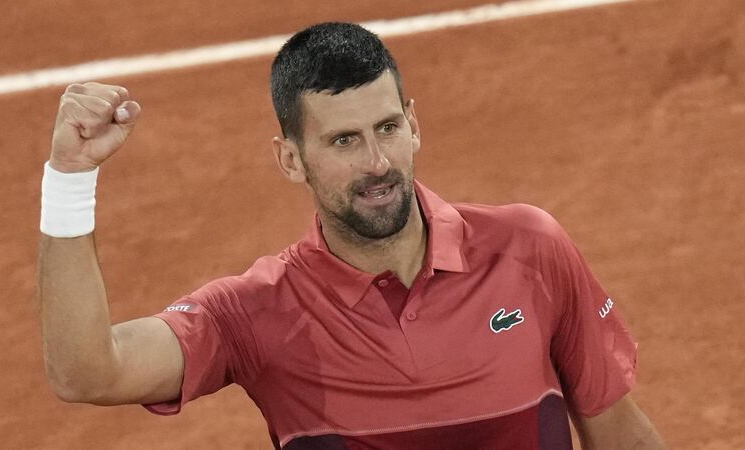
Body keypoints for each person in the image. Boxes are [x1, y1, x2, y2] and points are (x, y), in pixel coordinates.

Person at [38, 22, 665, 449]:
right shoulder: (256, 314)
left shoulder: (530, 250)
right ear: (290, 159)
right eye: (344, 141)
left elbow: (618, 432)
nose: (377, 163)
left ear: (413, 124)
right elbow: (87, 373)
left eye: (387, 128)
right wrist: (69, 178)